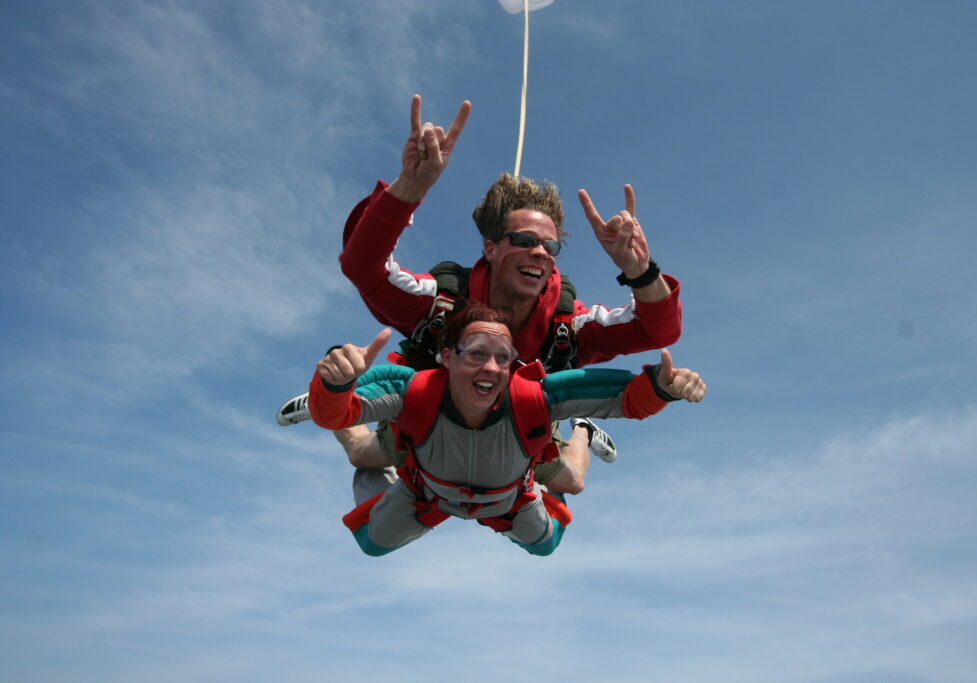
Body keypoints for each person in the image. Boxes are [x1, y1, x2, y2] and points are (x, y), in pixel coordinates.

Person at [279, 94, 685, 497]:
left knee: (570, 481)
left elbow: (658, 331)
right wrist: (411, 186)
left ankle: (582, 428)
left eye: (551, 246)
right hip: (431, 416)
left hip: (518, 429)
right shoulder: (439, 303)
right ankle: (329, 392)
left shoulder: (569, 327)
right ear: (490, 248)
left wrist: (638, 269)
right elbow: (362, 265)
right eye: (524, 240)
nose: (540, 252)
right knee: (363, 453)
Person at [309, 304, 706, 556]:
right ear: (447, 358)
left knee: (551, 533)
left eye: (503, 357)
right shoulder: (413, 390)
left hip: (509, 499)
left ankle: (581, 430)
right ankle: (368, 458)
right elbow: (335, 414)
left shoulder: (534, 397)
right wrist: (335, 383)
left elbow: (624, 397)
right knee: (371, 539)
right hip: (426, 490)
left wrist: (662, 388)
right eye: (477, 354)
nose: (491, 368)